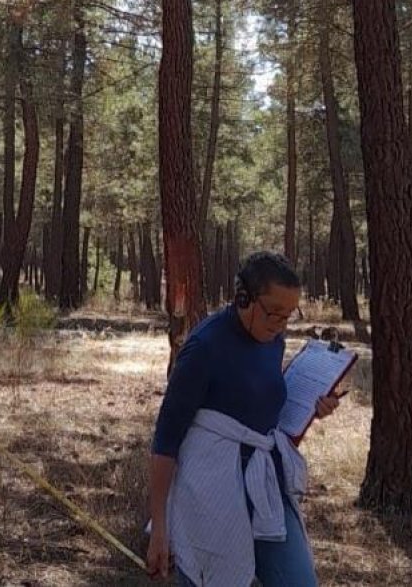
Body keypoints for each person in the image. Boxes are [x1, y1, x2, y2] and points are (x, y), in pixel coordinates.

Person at [145, 251, 341, 587]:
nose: (280, 325)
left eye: (287, 316)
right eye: (273, 313)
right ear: (243, 298)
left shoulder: (273, 339)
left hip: (265, 482)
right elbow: (166, 440)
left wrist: (312, 407)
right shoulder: (204, 348)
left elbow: (262, 411)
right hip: (209, 488)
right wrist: (160, 527)